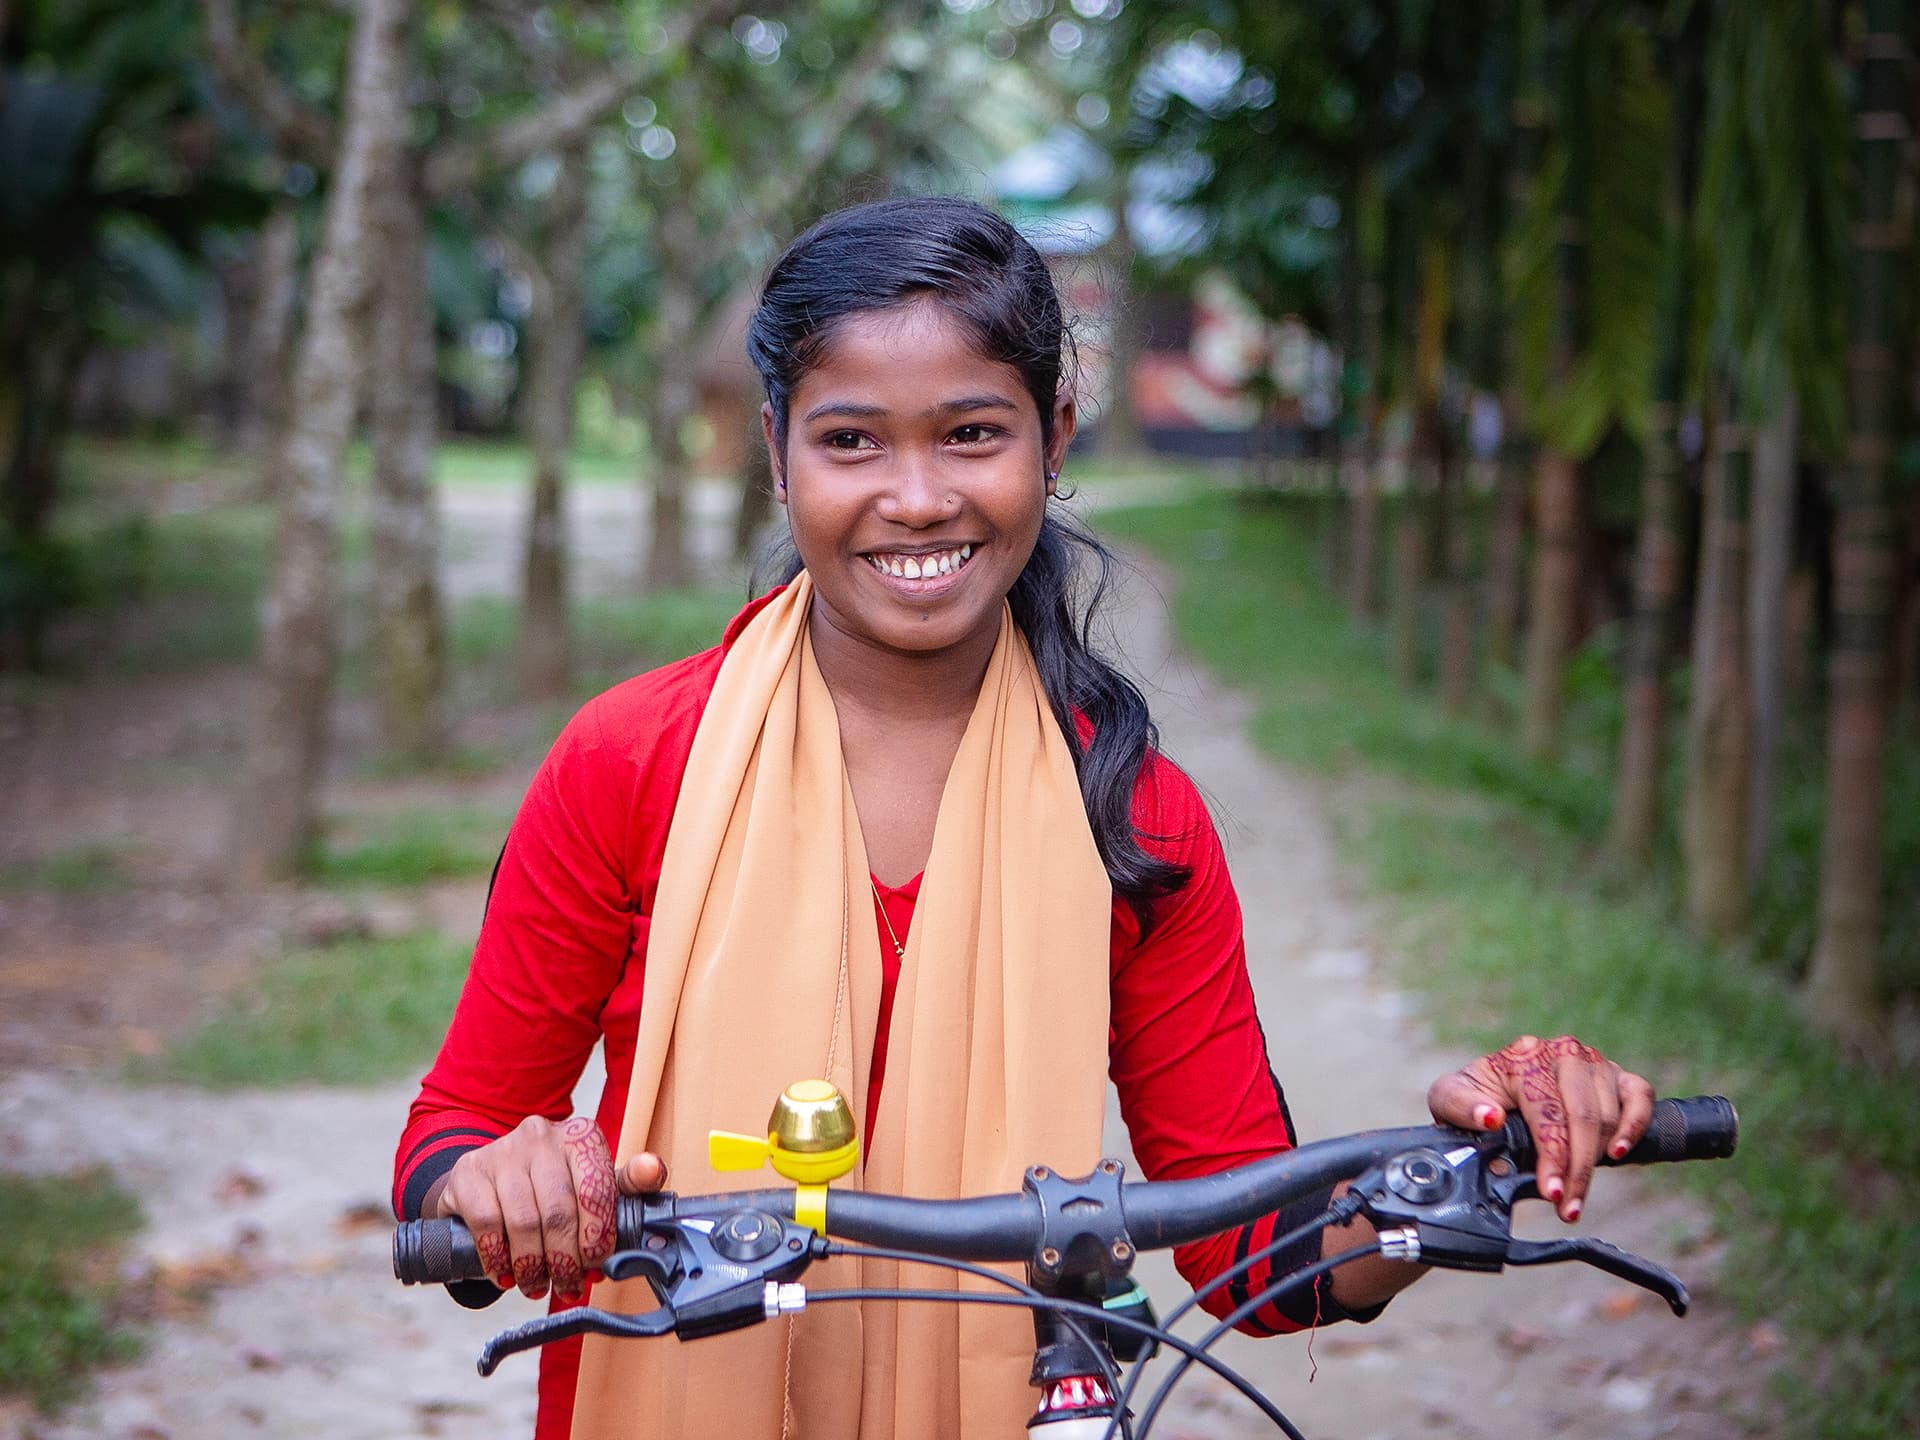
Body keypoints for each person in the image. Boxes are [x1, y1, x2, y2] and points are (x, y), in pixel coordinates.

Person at [393, 196, 1655, 1440]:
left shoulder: (1135, 817)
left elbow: (1253, 1258)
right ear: (773, 449)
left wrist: (1465, 1165)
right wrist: (500, 1181)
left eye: (970, 434)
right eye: (851, 443)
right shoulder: (629, 764)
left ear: (1053, 437)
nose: (918, 496)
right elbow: (448, 1136)